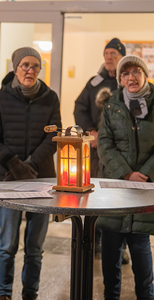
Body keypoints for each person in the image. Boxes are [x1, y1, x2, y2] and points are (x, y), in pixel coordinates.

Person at [0, 46, 62, 300]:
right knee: (7, 245)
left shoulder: (50, 98)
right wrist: (15, 165)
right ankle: (4, 293)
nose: (30, 71)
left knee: (34, 247)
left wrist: (30, 164)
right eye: (25, 66)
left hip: (41, 179)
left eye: (35, 66)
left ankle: (30, 293)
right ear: (15, 67)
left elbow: (54, 134)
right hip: (7, 179)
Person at [97, 55, 154, 300]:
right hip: (115, 190)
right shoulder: (112, 105)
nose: (131, 77)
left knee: (141, 251)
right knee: (110, 253)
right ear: (120, 79)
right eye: (125, 74)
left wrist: (145, 175)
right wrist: (126, 173)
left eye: (135, 72)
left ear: (145, 75)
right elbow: (104, 144)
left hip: (144, 188)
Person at [73, 38, 128, 258]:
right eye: (106, 53)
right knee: (93, 194)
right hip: (96, 151)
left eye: (113, 54)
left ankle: (120, 247)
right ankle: (93, 240)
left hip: (120, 152)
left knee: (118, 198)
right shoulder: (94, 82)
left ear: (121, 57)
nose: (108, 57)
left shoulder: (126, 81)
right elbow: (80, 107)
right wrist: (89, 130)